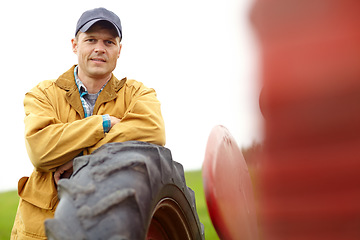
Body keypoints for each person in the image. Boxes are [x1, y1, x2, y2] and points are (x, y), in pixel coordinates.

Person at [11, 7, 166, 239]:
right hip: (41, 232)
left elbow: (153, 130)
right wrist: (103, 124)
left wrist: (80, 160)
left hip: (108, 228)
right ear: (75, 45)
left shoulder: (138, 94)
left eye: (109, 42)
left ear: (119, 50)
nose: (99, 49)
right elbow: (40, 149)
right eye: (91, 40)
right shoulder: (42, 94)